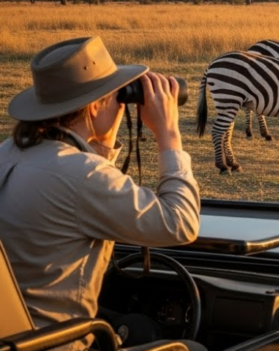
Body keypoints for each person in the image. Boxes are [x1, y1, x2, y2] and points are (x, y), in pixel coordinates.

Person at [0, 37, 200, 351]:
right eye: (116, 97)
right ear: (94, 106)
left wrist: (102, 143)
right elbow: (181, 223)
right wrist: (169, 134)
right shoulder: (82, 174)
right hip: (58, 344)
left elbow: (80, 191)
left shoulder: (8, 153)